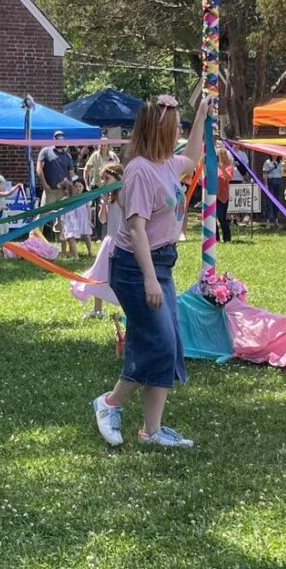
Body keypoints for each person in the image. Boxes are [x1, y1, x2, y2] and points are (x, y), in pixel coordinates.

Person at [91, 94, 211, 448]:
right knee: (157, 343)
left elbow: (193, 156)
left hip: (162, 265)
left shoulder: (167, 164)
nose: (177, 133)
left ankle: (152, 431)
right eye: (173, 127)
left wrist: (201, 115)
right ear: (157, 130)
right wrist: (148, 278)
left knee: (168, 344)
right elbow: (137, 228)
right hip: (135, 268)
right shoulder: (140, 170)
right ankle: (110, 403)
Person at [72, 163, 124, 319]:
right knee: (99, 274)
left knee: (121, 276)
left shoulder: (123, 195)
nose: (103, 182)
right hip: (109, 242)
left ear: (118, 178)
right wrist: (104, 204)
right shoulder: (109, 197)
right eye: (102, 179)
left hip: (121, 242)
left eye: (107, 179)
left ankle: (127, 309)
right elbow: (102, 220)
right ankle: (98, 309)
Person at [37, 130, 75, 239]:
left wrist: (72, 186)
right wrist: (44, 184)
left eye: (63, 138)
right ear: (54, 139)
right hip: (50, 190)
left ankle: (62, 242)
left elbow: (71, 174)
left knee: (62, 217)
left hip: (63, 191)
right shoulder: (46, 151)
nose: (61, 140)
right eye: (58, 138)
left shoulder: (67, 156)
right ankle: (35, 238)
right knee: (43, 214)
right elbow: (39, 168)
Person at [61, 178, 93, 259]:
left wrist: (89, 220)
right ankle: (73, 254)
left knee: (86, 235)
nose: (78, 188)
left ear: (83, 187)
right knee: (71, 236)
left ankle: (90, 251)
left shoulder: (85, 197)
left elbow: (88, 209)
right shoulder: (72, 198)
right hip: (75, 220)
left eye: (80, 186)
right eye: (76, 186)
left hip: (83, 219)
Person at [216, 145, 234, 243]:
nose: (219, 156)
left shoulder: (229, 167)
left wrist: (222, 169)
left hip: (223, 195)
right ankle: (216, 238)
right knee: (212, 217)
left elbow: (228, 178)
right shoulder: (214, 167)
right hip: (214, 194)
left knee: (221, 217)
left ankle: (227, 238)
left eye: (220, 154)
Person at [261, 154, 284, 227]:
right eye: (273, 155)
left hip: (278, 181)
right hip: (270, 181)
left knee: (277, 201)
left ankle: (276, 221)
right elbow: (264, 174)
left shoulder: (280, 163)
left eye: (276, 155)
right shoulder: (267, 162)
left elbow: (282, 172)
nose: (275, 156)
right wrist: (265, 184)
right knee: (269, 201)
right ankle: (268, 222)